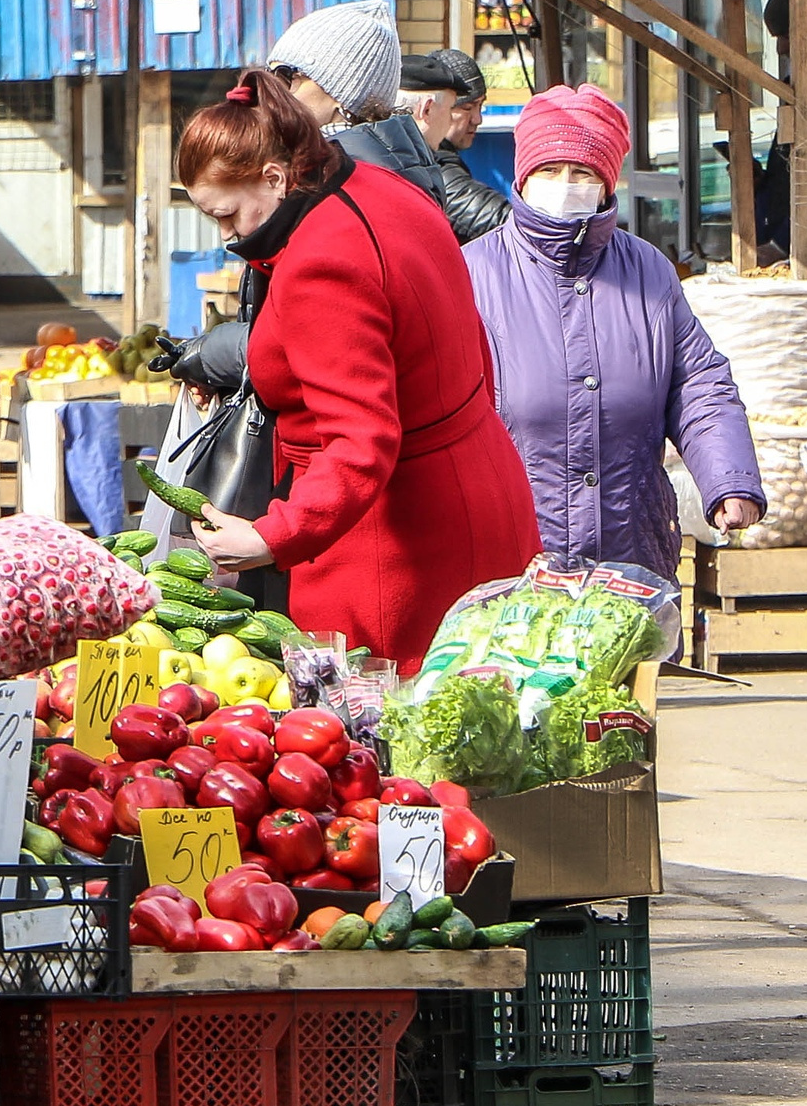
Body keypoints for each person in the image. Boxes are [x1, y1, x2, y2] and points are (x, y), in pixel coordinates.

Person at [176, 68, 541, 671]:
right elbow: (473, 342)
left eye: (227, 215)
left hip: (395, 549)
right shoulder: (383, 186)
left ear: (274, 177)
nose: (225, 237)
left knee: (393, 749)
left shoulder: (323, 264)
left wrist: (272, 535)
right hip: (481, 485)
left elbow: (361, 441)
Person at [465, 85, 762, 580]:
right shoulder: (472, 274)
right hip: (513, 562)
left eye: (581, 172)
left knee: (635, 659)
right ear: (524, 175)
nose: (564, 184)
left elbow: (698, 386)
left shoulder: (648, 270)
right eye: (548, 169)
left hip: (631, 558)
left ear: (606, 182)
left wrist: (728, 479)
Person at [265, 0, 454, 219]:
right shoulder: (361, 164)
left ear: (341, 93)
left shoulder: (346, 184)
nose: (274, 93)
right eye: (268, 77)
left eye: (285, 77)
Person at [401, 48, 508, 242]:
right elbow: (493, 218)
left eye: (480, 106)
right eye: (467, 108)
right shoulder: (426, 164)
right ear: (428, 110)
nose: (477, 119)